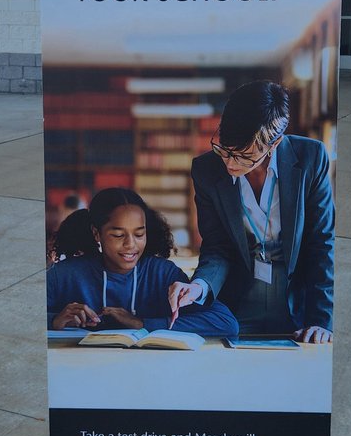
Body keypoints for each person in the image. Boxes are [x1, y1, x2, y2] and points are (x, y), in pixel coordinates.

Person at [168, 81, 334, 343]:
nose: (230, 164)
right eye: (224, 150)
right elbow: (217, 246)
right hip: (238, 301)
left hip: (299, 301)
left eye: (244, 156)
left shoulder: (311, 158)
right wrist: (199, 286)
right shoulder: (206, 170)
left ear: (275, 144)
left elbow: (321, 243)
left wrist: (321, 320)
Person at [47, 187, 238, 337]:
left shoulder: (163, 274)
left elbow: (225, 322)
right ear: (97, 233)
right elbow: (20, 316)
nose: (131, 245)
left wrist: (142, 324)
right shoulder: (65, 274)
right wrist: (54, 320)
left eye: (139, 234)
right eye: (118, 235)